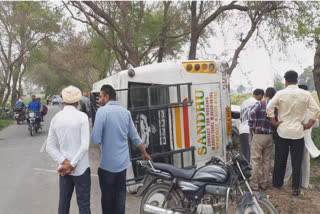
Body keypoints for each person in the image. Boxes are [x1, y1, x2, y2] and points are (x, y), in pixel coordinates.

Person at [91, 84, 151, 214]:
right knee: (120, 198)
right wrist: (144, 153)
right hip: (122, 165)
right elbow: (135, 137)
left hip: (107, 166)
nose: (99, 99)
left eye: (100, 96)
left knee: (107, 200)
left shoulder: (102, 112)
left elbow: (95, 139)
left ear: (107, 97)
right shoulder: (126, 112)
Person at [267, 70, 320, 196]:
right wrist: (308, 124)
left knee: (280, 159)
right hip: (298, 132)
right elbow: (316, 110)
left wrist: (274, 121)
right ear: (297, 80)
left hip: (283, 131)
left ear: (286, 81)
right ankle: (296, 188)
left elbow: (269, 106)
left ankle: (277, 183)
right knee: (297, 162)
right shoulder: (305, 94)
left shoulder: (280, 93)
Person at [46, 85, 91, 214]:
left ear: (63, 100)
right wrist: (72, 164)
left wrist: (65, 163)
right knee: (84, 205)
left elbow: (50, 146)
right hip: (81, 168)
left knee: (63, 204)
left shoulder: (56, 118)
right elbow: (84, 146)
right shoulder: (82, 117)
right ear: (78, 102)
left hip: (64, 170)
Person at [284, 85, 320, 188]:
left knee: (290, 160)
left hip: (295, 137)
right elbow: (316, 124)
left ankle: (284, 181)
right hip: (307, 140)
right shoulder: (310, 108)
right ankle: (305, 184)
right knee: (305, 162)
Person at [248, 87, 276, 191]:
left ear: (265, 95)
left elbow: (251, 114)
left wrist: (252, 125)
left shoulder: (260, 103)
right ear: (274, 96)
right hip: (270, 136)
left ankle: (254, 184)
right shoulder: (275, 106)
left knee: (255, 160)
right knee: (267, 160)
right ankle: (265, 183)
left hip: (259, 135)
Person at [239, 89, 264, 162]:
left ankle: (244, 172)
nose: (261, 99)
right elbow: (258, 118)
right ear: (259, 95)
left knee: (244, 155)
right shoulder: (257, 103)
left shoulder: (243, 103)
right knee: (251, 155)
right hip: (250, 130)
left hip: (241, 130)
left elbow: (241, 118)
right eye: (261, 97)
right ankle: (250, 172)